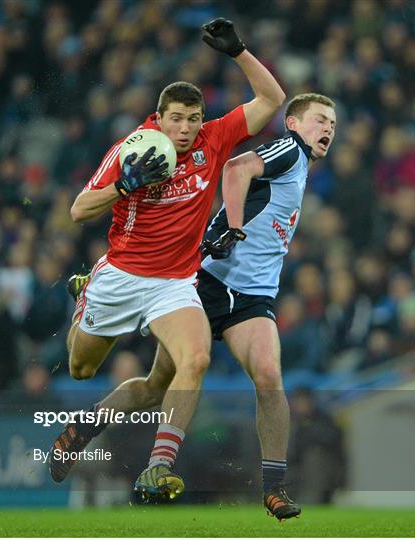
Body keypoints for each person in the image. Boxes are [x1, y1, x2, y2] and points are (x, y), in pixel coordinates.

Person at [54, 93, 336, 522]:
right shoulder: (288, 148)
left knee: (268, 374)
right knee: (153, 387)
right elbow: (237, 169)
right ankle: (89, 426)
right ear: (294, 124)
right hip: (206, 281)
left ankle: (274, 487)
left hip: (252, 297)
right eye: (320, 120)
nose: (329, 129)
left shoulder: (301, 169)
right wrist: (235, 229)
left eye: (333, 123)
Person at [49, 17, 286, 503]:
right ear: (158, 117)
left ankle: (158, 468)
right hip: (121, 275)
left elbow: (272, 101)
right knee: (81, 369)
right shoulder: (132, 150)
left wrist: (240, 51)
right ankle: (86, 298)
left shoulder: (213, 141)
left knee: (194, 359)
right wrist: (125, 186)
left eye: (192, 118)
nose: (184, 128)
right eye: (175, 118)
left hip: (174, 283)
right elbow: (77, 210)